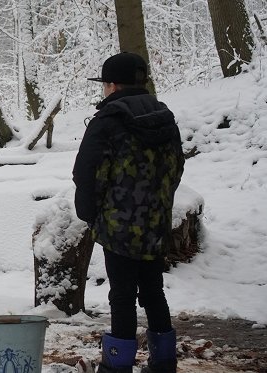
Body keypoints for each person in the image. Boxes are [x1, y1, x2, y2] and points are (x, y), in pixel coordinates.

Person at [72, 52, 185, 373]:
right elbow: (177, 166)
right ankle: (164, 362)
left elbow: (86, 173)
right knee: (153, 291)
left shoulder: (108, 121)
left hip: (118, 225)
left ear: (111, 85)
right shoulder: (164, 116)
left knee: (121, 296)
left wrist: (91, 215)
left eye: (104, 85)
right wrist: (159, 204)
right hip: (155, 222)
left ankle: (117, 366)